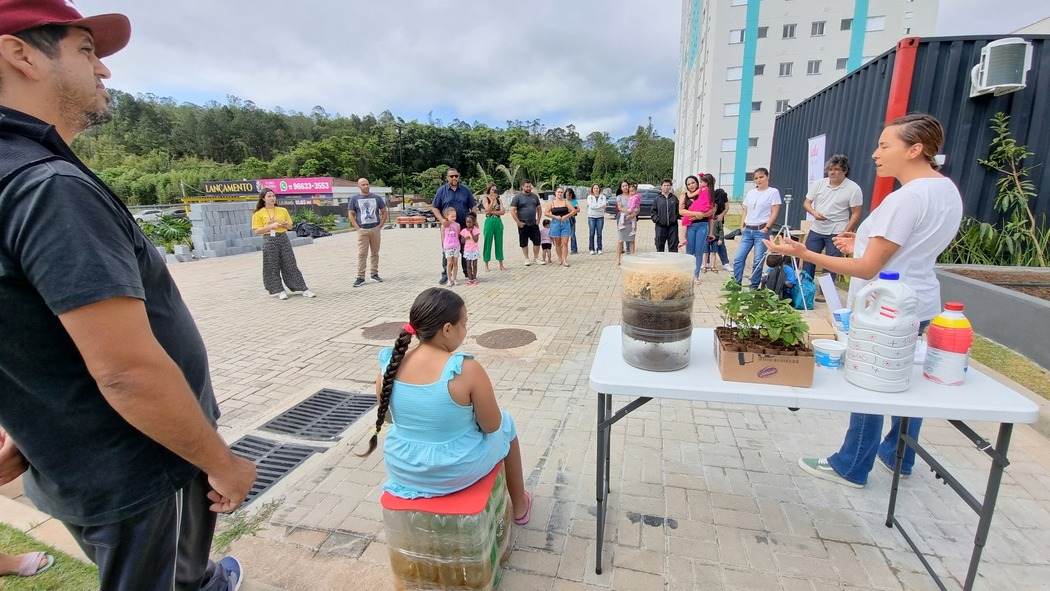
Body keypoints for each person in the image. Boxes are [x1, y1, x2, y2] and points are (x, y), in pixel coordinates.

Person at [0, 4, 255, 589]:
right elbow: (128, 373)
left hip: (76, 461)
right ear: (20, 55)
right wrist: (222, 462)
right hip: (140, 467)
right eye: (86, 50)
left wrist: (24, 421)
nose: (104, 69)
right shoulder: (47, 187)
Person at [765, 113, 963, 488]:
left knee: (870, 382)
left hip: (884, 309)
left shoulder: (906, 198)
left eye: (885, 145)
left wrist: (805, 253)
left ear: (915, 149)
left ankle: (852, 464)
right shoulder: (945, 191)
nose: (875, 154)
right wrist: (861, 243)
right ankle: (898, 455)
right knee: (903, 379)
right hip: (920, 301)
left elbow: (869, 267)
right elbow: (909, 248)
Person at [357, 288, 533, 525]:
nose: (465, 330)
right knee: (507, 422)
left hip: (403, 467)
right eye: (464, 323)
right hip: (453, 471)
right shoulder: (465, 369)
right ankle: (520, 505)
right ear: (447, 329)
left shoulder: (390, 365)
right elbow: (492, 426)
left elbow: (389, 418)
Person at [802, 154, 864, 282]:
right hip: (817, 228)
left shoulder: (854, 188)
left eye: (836, 169)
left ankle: (826, 291)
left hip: (837, 230)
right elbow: (806, 203)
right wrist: (813, 213)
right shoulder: (819, 183)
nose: (832, 172)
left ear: (845, 171)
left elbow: (856, 213)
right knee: (808, 258)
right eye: (830, 169)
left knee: (832, 264)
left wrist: (845, 233)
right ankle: (806, 288)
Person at [252, 189, 316, 300]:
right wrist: (271, 226)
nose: (272, 198)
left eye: (273, 196)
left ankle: (303, 288)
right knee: (272, 265)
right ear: (263, 199)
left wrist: (285, 224)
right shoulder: (258, 213)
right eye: (269, 196)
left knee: (290, 263)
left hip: (283, 237)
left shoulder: (282, 210)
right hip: (269, 239)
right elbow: (257, 231)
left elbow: (290, 226)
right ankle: (279, 290)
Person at [733, 168, 782, 288]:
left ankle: (753, 287)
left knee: (758, 261)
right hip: (748, 230)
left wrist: (767, 227)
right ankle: (736, 284)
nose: (758, 180)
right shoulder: (751, 193)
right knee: (738, 258)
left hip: (761, 230)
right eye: (756, 178)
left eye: (761, 177)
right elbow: (745, 210)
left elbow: (775, 212)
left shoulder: (773, 192)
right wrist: (742, 226)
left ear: (767, 177)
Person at [432, 168, 477, 285]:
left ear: (459, 176)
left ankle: (468, 273)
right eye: (451, 176)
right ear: (447, 177)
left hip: (463, 226)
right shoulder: (441, 191)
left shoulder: (465, 190)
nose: (454, 178)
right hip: (448, 228)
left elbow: (473, 206)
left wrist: (473, 220)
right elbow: (435, 208)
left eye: (456, 176)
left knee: (465, 249)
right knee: (447, 250)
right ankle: (446, 275)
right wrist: (442, 220)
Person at [348, 177, 387, 287]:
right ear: (359, 186)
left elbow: (384, 212)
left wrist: (380, 226)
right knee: (362, 254)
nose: (366, 186)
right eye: (363, 185)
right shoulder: (354, 199)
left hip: (375, 229)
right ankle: (360, 277)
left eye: (367, 184)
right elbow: (351, 214)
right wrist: (357, 228)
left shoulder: (377, 198)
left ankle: (374, 274)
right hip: (362, 230)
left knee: (375, 253)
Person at [681, 174, 714, 281]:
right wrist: (696, 214)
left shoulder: (707, 192)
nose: (691, 185)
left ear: (697, 183)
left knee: (699, 252)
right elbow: (681, 211)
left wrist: (711, 232)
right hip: (690, 226)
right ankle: (688, 275)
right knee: (689, 252)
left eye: (693, 183)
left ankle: (696, 275)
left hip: (702, 226)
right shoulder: (685, 196)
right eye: (688, 184)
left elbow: (711, 214)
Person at [510, 180, 543, 266]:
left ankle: (536, 258)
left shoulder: (535, 196)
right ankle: (526, 258)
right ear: (522, 187)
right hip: (523, 223)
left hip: (533, 223)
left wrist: (538, 220)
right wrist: (518, 222)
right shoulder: (517, 197)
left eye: (530, 186)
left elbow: (539, 209)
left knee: (537, 241)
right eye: (527, 187)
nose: (529, 188)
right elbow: (512, 211)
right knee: (524, 242)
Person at [703, 176, 732, 272]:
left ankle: (725, 263)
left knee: (720, 242)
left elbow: (727, 207)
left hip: (717, 221)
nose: (706, 184)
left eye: (708, 182)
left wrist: (721, 215)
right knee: (706, 242)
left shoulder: (720, 193)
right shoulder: (702, 193)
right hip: (705, 221)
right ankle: (707, 262)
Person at [548, 187, 577, 267]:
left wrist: (566, 216)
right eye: (558, 192)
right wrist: (554, 216)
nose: (560, 194)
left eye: (561, 192)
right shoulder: (552, 203)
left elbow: (574, 211)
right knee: (557, 243)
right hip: (555, 224)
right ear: (555, 193)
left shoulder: (566, 202)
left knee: (565, 243)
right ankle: (560, 258)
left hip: (565, 223)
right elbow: (546, 213)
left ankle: (564, 260)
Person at [480, 183, 507, 271]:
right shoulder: (486, 199)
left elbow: (503, 212)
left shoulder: (499, 200)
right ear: (489, 190)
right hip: (489, 221)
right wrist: (492, 201)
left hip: (498, 221)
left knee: (499, 242)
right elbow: (487, 210)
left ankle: (501, 264)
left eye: (495, 190)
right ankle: (486, 264)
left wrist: (492, 212)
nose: (494, 191)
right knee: (488, 242)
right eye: (492, 190)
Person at [651, 178, 680, 252]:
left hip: (673, 227)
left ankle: (673, 259)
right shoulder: (657, 199)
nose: (666, 187)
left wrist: (675, 218)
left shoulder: (674, 198)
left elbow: (679, 211)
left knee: (673, 248)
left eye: (668, 185)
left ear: (670, 186)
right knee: (659, 247)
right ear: (661, 186)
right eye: (665, 185)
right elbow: (653, 213)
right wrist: (658, 220)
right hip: (660, 227)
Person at [615, 181, 638, 265]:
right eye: (623, 186)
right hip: (623, 220)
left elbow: (637, 208)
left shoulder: (634, 196)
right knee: (620, 240)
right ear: (621, 188)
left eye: (626, 185)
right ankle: (618, 259)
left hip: (632, 220)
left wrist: (632, 215)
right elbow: (620, 208)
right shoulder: (619, 197)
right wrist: (628, 212)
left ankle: (632, 259)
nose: (625, 187)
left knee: (632, 240)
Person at [441, 208, 462, 287]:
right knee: (449, 263)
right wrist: (444, 247)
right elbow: (443, 237)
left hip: (456, 246)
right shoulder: (444, 226)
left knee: (455, 263)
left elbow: (458, 235)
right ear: (447, 216)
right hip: (448, 247)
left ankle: (454, 278)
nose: (454, 218)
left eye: (455, 216)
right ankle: (449, 280)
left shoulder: (457, 225)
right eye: (452, 216)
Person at [460, 213, 481, 285]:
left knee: (474, 265)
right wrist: (465, 238)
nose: (468, 224)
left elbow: (476, 240)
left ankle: (474, 278)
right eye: (467, 222)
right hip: (467, 250)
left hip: (474, 250)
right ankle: (470, 278)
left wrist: (471, 233)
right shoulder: (464, 231)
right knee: (468, 265)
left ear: (473, 222)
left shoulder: (476, 230)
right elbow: (462, 241)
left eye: (470, 222)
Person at [585, 184, 607, 254]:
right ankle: (591, 249)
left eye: (597, 188)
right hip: (591, 217)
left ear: (599, 189)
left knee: (599, 234)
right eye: (594, 188)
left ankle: (599, 249)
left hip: (600, 217)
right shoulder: (589, 197)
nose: (596, 189)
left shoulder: (603, 197)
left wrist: (597, 207)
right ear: (592, 189)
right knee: (592, 233)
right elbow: (591, 206)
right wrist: (599, 207)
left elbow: (604, 205)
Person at [566, 187, 580, 254]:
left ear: (572, 195)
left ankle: (574, 249)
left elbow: (578, 209)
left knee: (572, 234)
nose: (568, 196)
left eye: (569, 195)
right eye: (567, 195)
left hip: (572, 219)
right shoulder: (564, 201)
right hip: (565, 219)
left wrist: (572, 210)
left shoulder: (574, 201)